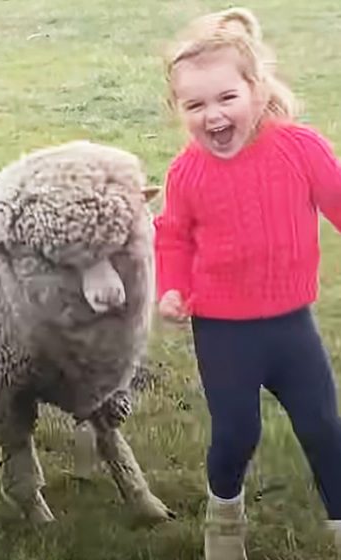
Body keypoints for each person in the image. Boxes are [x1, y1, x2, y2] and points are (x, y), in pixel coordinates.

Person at [153, 6, 341, 559]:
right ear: (179, 110)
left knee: (325, 426)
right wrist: (172, 286)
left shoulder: (300, 148)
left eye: (226, 98)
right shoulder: (186, 173)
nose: (213, 114)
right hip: (224, 330)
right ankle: (225, 513)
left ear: (257, 92)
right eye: (196, 105)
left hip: (291, 325)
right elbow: (173, 237)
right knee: (236, 434)